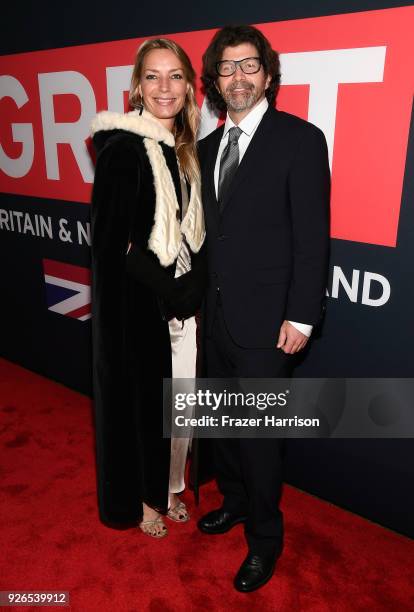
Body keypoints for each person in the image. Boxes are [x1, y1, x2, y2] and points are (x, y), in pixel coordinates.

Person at [197, 25, 330, 591]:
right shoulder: (204, 149)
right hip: (212, 319)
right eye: (226, 69)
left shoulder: (300, 139)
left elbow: (312, 238)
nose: (238, 77)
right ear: (215, 83)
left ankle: (266, 540)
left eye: (248, 65)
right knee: (222, 428)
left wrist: (302, 317)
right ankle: (233, 502)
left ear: (268, 74)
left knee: (258, 438)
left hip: (268, 326)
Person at [90, 38, 206, 538]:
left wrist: (192, 290)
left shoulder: (186, 152)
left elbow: (195, 234)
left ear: (188, 86)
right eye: (153, 76)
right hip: (141, 310)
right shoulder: (123, 148)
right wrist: (172, 292)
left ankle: (171, 486)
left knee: (180, 409)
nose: (165, 87)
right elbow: (114, 245)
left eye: (175, 75)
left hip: (184, 307)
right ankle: (142, 497)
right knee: (142, 409)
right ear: (137, 86)